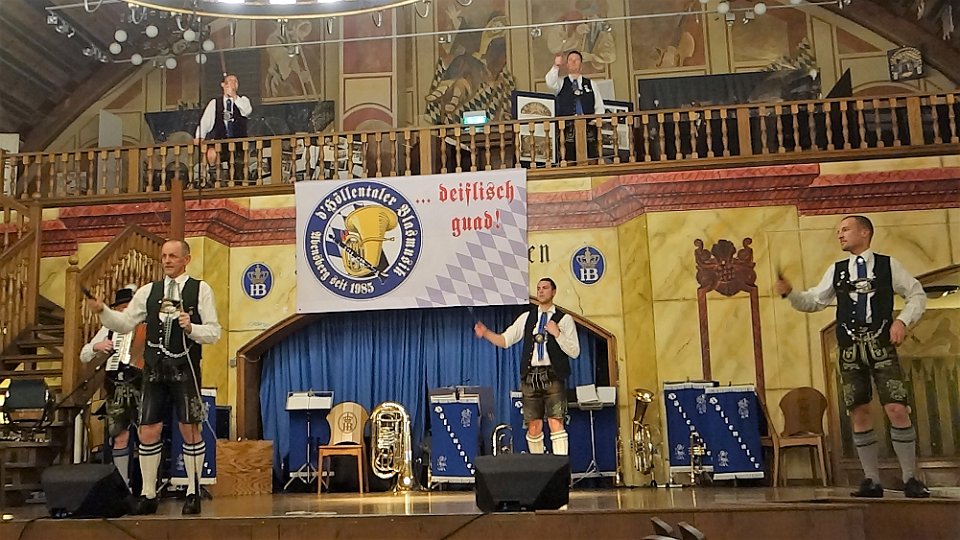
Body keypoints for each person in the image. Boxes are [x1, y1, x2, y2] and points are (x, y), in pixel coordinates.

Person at [774, 215, 930, 498]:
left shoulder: (888, 265)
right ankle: (871, 480)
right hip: (849, 348)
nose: (840, 235)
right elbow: (814, 301)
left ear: (865, 232)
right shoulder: (837, 270)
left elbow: (917, 295)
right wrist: (791, 294)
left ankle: (910, 478)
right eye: (839, 231)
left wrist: (902, 321)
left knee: (896, 407)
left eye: (845, 229)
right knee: (858, 410)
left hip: (881, 344)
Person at [87, 239, 222, 515]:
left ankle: (193, 491)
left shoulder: (200, 289)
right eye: (164, 256)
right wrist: (103, 311)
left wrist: (192, 328)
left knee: (189, 428)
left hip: (184, 367)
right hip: (153, 369)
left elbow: (214, 332)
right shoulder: (149, 291)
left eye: (173, 256)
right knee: (148, 429)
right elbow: (124, 323)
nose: (167, 260)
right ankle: (148, 493)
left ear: (186, 259)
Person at [474, 278, 580, 455]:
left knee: (556, 422)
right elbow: (505, 340)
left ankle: (560, 466)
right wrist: (486, 333)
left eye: (545, 288)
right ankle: (539, 468)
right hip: (530, 376)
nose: (541, 291)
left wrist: (557, 334)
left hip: (553, 375)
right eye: (538, 288)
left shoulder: (564, 319)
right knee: (533, 426)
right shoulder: (527, 318)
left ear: (554, 292)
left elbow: (575, 351)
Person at [79, 285, 145, 489]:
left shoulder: (145, 325)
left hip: (142, 383)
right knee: (120, 435)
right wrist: (97, 346)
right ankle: (123, 485)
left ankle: (147, 486)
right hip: (116, 384)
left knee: (147, 435)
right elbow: (84, 354)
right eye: (121, 308)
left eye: (128, 307)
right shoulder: (108, 328)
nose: (124, 311)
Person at [544, 50, 606, 161]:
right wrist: (556, 66)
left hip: (589, 130)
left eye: (576, 60)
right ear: (567, 65)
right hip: (567, 131)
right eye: (570, 60)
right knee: (568, 160)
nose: (573, 62)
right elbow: (550, 83)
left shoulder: (591, 84)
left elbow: (599, 106)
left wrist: (594, 122)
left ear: (581, 65)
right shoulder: (561, 83)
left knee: (591, 159)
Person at [194, 73, 253, 184]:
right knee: (211, 154)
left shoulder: (243, 100)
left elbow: (247, 111)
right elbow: (205, 121)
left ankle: (238, 182)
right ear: (223, 85)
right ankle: (215, 178)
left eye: (235, 81)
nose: (233, 83)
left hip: (238, 144)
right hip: (221, 142)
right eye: (230, 81)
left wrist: (234, 96)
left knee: (238, 168)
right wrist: (199, 136)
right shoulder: (215, 103)